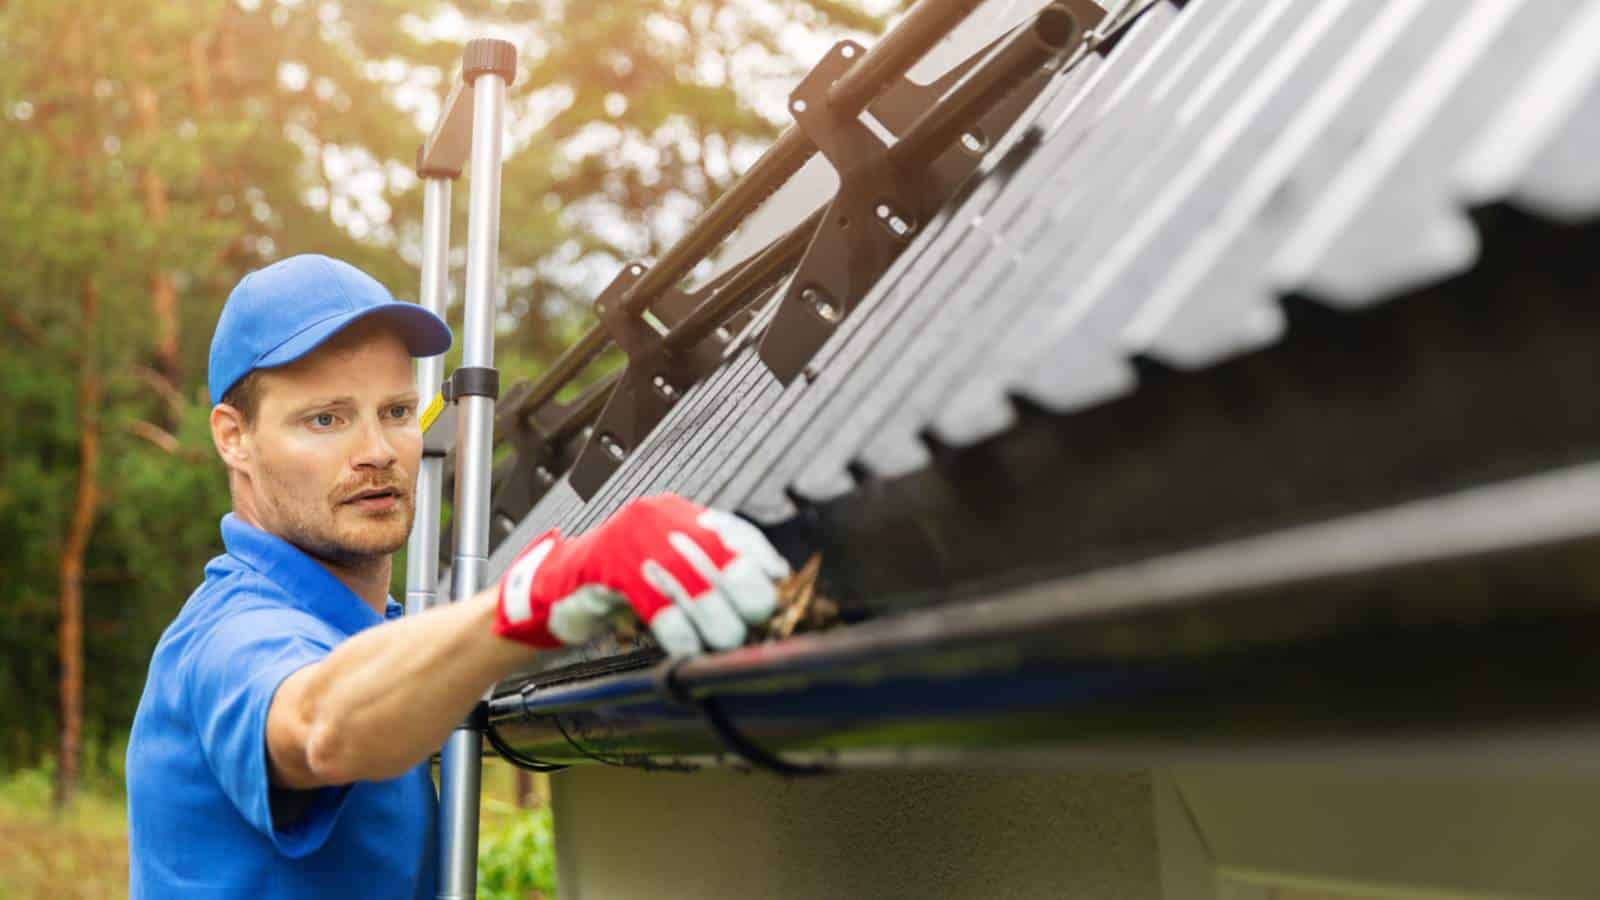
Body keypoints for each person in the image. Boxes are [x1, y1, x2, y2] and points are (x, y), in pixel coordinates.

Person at [125, 254, 790, 898]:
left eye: (395, 412)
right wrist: (536, 597)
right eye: (325, 419)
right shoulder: (229, 634)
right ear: (233, 437)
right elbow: (318, 726)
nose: (378, 453)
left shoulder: (376, 634)